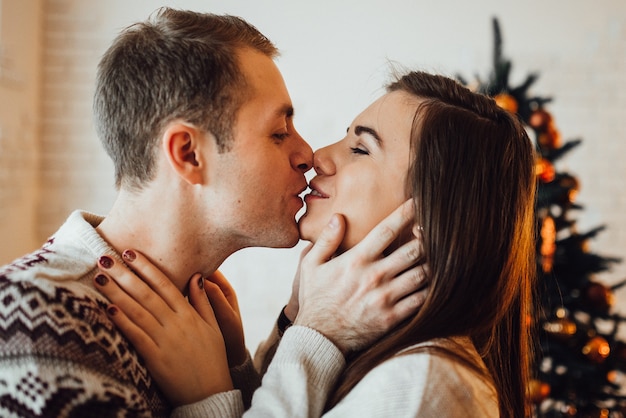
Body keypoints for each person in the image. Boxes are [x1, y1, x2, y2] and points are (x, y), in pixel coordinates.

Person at [0, 8, 427, 417]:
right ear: (188, 153)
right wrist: (319, 333)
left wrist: (248, 365)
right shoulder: (33, 320)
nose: (308, 154)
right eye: (278, 133)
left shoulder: (200, 316)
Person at [96, 70, 537, 418]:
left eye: (361, 149)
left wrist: (207, 398)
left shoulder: (423, 384)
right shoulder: (378, 348)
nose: (318, 155)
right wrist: (247, 366)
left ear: (430, 220)